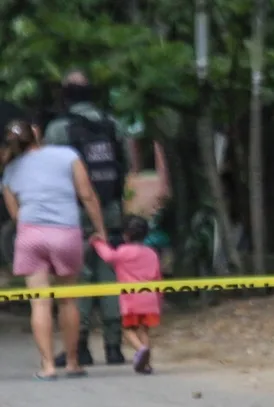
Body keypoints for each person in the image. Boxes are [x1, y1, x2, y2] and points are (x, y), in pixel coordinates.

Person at [0, 118, 107, 380]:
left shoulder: (9, 171)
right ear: (36, 133)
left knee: (40, 303)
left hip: (31, 235)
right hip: (65, 233)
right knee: (68, 299)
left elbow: (16, 215)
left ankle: (47, 366)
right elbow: (87, 195)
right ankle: (72, 362)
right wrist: (100, 229)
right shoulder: (67, 155)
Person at [44, 69, 133, 368]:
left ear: (66, 95)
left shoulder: (59, 129)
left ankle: (78, 346)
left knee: (77, 279)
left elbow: (50, 172)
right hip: (111, 212)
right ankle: (113, 346)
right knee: (109, 277)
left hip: (73, 214)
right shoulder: (112, 125)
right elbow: (127, 166)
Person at [89, 215, 162, 374]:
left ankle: (141, 349)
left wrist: (97, 242)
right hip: (149, 299)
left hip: (131, 299)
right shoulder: (152, 253)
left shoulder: (123, 251)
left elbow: (108, 257)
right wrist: (159, 298)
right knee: (144, 330)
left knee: (127, 329)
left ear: (125, 235)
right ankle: (146, 364)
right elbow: (158, 277)